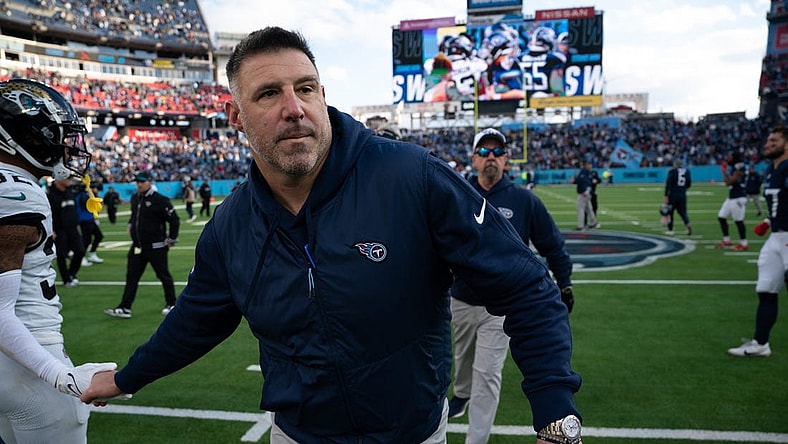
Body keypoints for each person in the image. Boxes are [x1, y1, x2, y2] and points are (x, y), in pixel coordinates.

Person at [81, 27, 583, 444]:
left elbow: (526, 285)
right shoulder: (231, 225)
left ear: (323, 96)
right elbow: (196, 319)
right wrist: (126, 378)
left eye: (305, 88)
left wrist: (555, 411)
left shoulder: (411, 177)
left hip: (411, 433)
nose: (294, 107)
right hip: (298, 435)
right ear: (235, 117)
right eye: (268, 93)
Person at [0, 78, 121, 443]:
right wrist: (59, 375)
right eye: (54, 135)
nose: (65, 146)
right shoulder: (18, 192)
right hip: (30, 358)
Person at [447, 128, 575, 444]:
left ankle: (476, 441)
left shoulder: (523, 200)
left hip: (502, 306)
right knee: (461, 363)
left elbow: (552, 243)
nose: (491, 157)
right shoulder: (456, 193)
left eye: (498, 152)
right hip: (460, 299)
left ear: (506, 160)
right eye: (485, 151)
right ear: (474, 159)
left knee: (488, 375)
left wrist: (565, 282)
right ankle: (461, 394)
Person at [728, 127, 788, 357]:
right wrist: (766, 220)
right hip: (776, 237)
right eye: (768, 140)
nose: (768, 144)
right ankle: (761, 343)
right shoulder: (772, 171)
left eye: (774, 141)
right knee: (765, 288)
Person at [104, 171, 179, 319]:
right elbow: (134, 216)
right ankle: (125, 307)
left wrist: (172, 238)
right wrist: (130, 224)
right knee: (131, 276)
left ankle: (172, 304)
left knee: (163, 275)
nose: (139, 184)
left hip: (156, 246)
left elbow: (174, 219)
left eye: (142, 181)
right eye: (137, 181)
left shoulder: (160, 199)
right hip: (138, 246)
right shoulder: (135, 198)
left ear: (150, 182)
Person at [47, 177, 89, 286]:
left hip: (73, 228)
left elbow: (73, 210)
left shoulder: (70, 192)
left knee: (80, 251)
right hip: (59, 229)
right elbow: (48, 214)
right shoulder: (51, 195)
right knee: (62, 255)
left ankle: (72, 274)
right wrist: (51, 230)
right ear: (58, 180)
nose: (69, 181)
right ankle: (66, 279)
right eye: (66, 178)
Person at [716, 151, 749, 251]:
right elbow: (728, 182)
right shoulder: (735, 166)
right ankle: (726, 240)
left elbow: (729, 182)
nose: (727, 158)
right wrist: (725, 173)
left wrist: (724, 172)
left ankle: (744, 243)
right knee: (721, 217)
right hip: (732, 196)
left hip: (739, 197)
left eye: (729, 156)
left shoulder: (739, 166)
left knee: (738, 221)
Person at [76, 182, 105, 264]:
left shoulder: (85, 195)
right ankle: (81, 257)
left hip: (89, 219)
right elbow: (86, 206)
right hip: (84, 220)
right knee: (86, 240)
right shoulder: (83, 195)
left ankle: (92, 254)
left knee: (99, 236)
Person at [663, 159, 692, 236]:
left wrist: (666, 195)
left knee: (670, 212)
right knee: (683, 212)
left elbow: (668, 184)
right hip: (682, 194)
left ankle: (670, 229)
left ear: (676, 164)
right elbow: (689, 183)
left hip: (673, 195)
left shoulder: (672, 171)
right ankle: (687, 223)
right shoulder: (687, 171)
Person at [574, 161, 598, 230]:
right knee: (589, 209)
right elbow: (588, 181)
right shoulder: (588, 172)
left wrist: (584, 191)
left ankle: (581, 225)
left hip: (584, 193)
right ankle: (593, 222)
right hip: (588, 192)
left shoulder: (584, 172)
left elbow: (584, 182)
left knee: (580, 208)